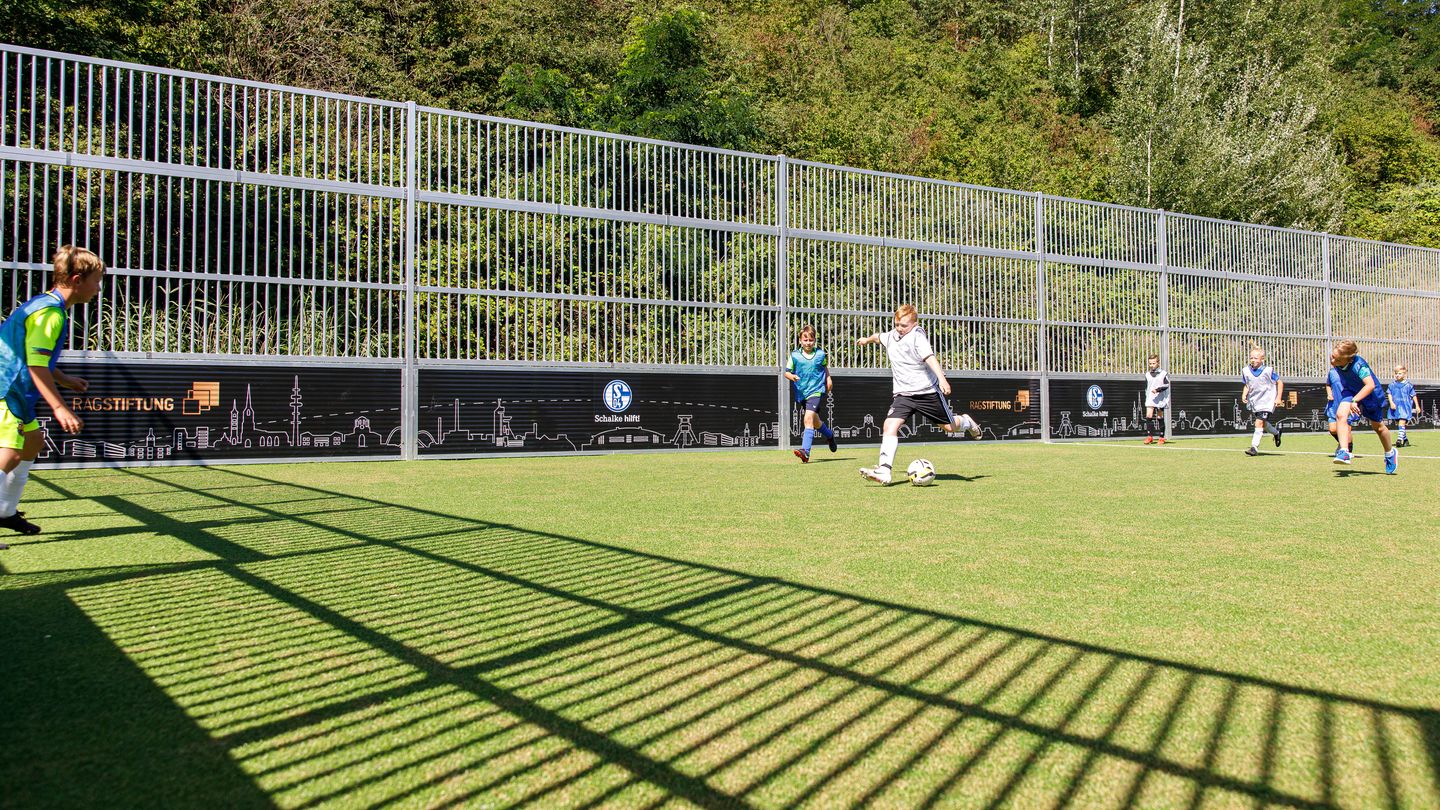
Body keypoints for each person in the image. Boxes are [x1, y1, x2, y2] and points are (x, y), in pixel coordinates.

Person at [0, 245, 104, 545]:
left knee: (32, 442)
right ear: (76, 280)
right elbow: (35, 365)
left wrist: (64, 378)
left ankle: (5, 512)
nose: (98, 288)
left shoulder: (47, 305)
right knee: (10, 453)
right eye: (96, 280)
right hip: (8, 389)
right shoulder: (51, 315)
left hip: (16, 389)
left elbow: (33, 356)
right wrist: (60, 408)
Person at [854, 304, 980, 485]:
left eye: (904, 325)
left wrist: (942, 379)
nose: (899, 328)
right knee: (889, 425)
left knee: (950, 428)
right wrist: (867, 340)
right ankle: (884, 471)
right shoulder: (891, 336)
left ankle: (967, 421)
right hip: (903, 395)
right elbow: (878, 337)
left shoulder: (917, 337)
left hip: (926, 392)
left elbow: (930, 358)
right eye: (897, 324)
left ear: (914, 323)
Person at [1329, 340, 1397, 473]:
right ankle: (1344, 451)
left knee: (1378, 427)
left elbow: (1370, 385)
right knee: (1340, 414)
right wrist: (1353, 399)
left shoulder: (1359, 366)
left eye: (1336, 359)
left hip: (1370, 394)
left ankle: (1390, 453)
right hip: (1351, 391)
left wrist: (1355, 400)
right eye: (1332, 356)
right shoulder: (1337, 362)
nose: (1332, 360)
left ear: (1348, 360)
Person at [783, 324, 837, 463]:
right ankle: (830, 435)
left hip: (816, 391)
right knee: (816, 422)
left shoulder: (820, 354)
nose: (808, 343)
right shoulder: (794, 355)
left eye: (811, 340)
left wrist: (829, 379)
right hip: (802, 392)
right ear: (800, 340)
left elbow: (824, 368)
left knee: (808, 419)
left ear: (814, 340)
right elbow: (786, 372)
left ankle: (805, 452)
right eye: (805, 340)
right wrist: (792, 377)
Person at [1240, 348, 1283, 456]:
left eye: (1255, 358)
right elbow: (1247, 385)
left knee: (1259, 422)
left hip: (1267, 401)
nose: (1252, 360)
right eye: (1251, 357)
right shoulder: (1246, 371)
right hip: (1255, 401)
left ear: (1262, 359)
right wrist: (1244, 393)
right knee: (1262, 424)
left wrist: (1278, 398)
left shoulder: (1268, 370)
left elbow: (1280, 383)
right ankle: (1276, 433)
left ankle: (1254, 447)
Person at [1387, 365, 1419, 448]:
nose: (1397, 375)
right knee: (1399, 424)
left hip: (1405, 407)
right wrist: (1391, 403)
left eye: (1399, 373)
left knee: (1402, 422)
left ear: (1404, 374)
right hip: (1396, 407)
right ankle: (1405, 440)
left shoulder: (1408, 385)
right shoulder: (1392, 385)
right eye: (1396, 373)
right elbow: (1389, 394)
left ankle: (1399, 440)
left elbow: (1413, 395)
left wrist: (1417, 406)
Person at [1324, 374, 1355, 456]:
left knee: (1347, 429)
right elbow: (1328, 385)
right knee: (1332, 429)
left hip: (1347, 403)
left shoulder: (1350, 371)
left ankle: (1348, 450)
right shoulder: (1332, 372)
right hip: (1334, 405)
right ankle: (1343, 444)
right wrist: (1329, 393)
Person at [1142, 354, 1169, 445]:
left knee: (1159, 417)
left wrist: (1157, 390)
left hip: (1160, 398)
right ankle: (1150, 437)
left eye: (1153, 363)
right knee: (1149, 415)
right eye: (1150, 363)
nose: (1152, 365)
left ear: (1158, 363)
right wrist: (1148, 394)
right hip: (1150, 398)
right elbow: (1146, 387)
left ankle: (1161, 437)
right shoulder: (1147, 374)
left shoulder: (1163, 373)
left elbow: (1166, 385)